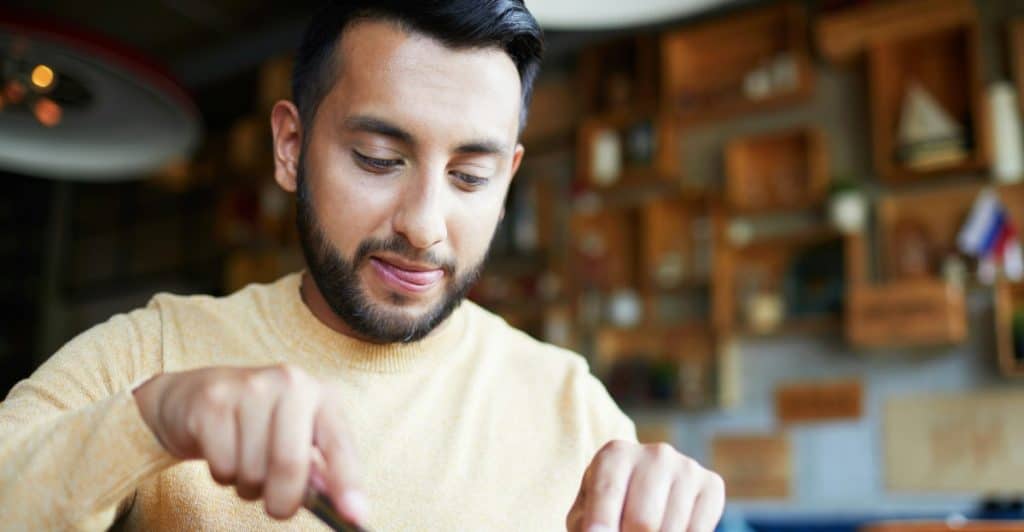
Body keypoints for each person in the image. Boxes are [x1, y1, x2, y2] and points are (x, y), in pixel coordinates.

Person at [0, 1, 725, 530]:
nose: (423, 223)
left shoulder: (575, 409)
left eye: (471, 176)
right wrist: (154, 421)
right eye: (380, 159)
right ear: (291, 146)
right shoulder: (154, 354)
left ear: (509, 181)